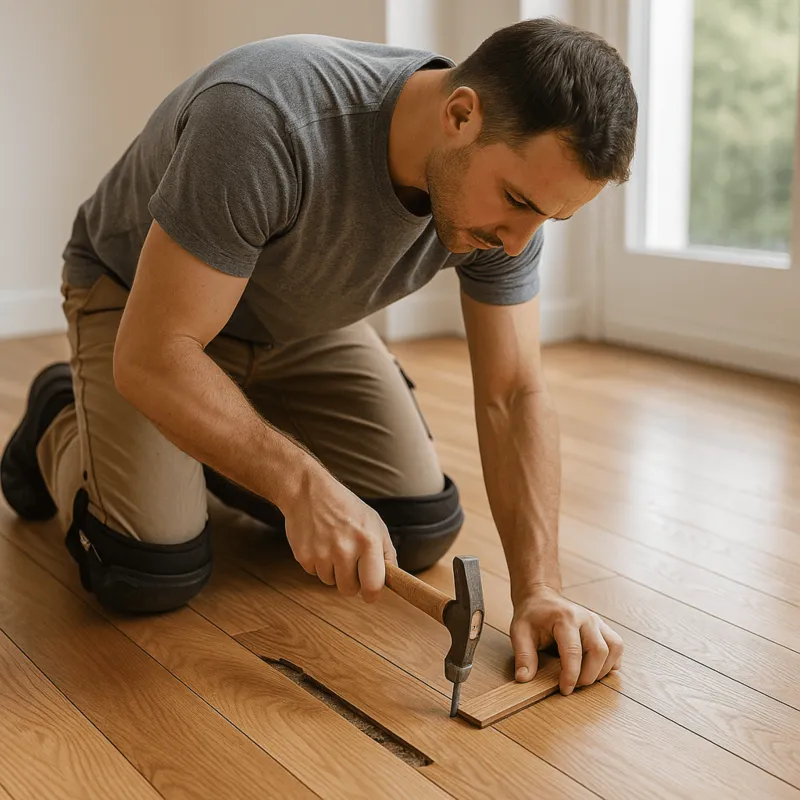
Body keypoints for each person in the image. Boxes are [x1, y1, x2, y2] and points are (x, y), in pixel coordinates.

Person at [1, 17, 636, 695]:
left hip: (297, 319)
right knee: (146, 569)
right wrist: (302, 486)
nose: (518, 244)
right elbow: (156, 356)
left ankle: (208, 440)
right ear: (460, 114)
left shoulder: (510, 209)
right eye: (516, 202)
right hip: (143, 308)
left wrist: (539, 588)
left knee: (415, 530)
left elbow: (512, 393)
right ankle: (63, 415)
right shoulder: (263, 116)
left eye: (548, 219)